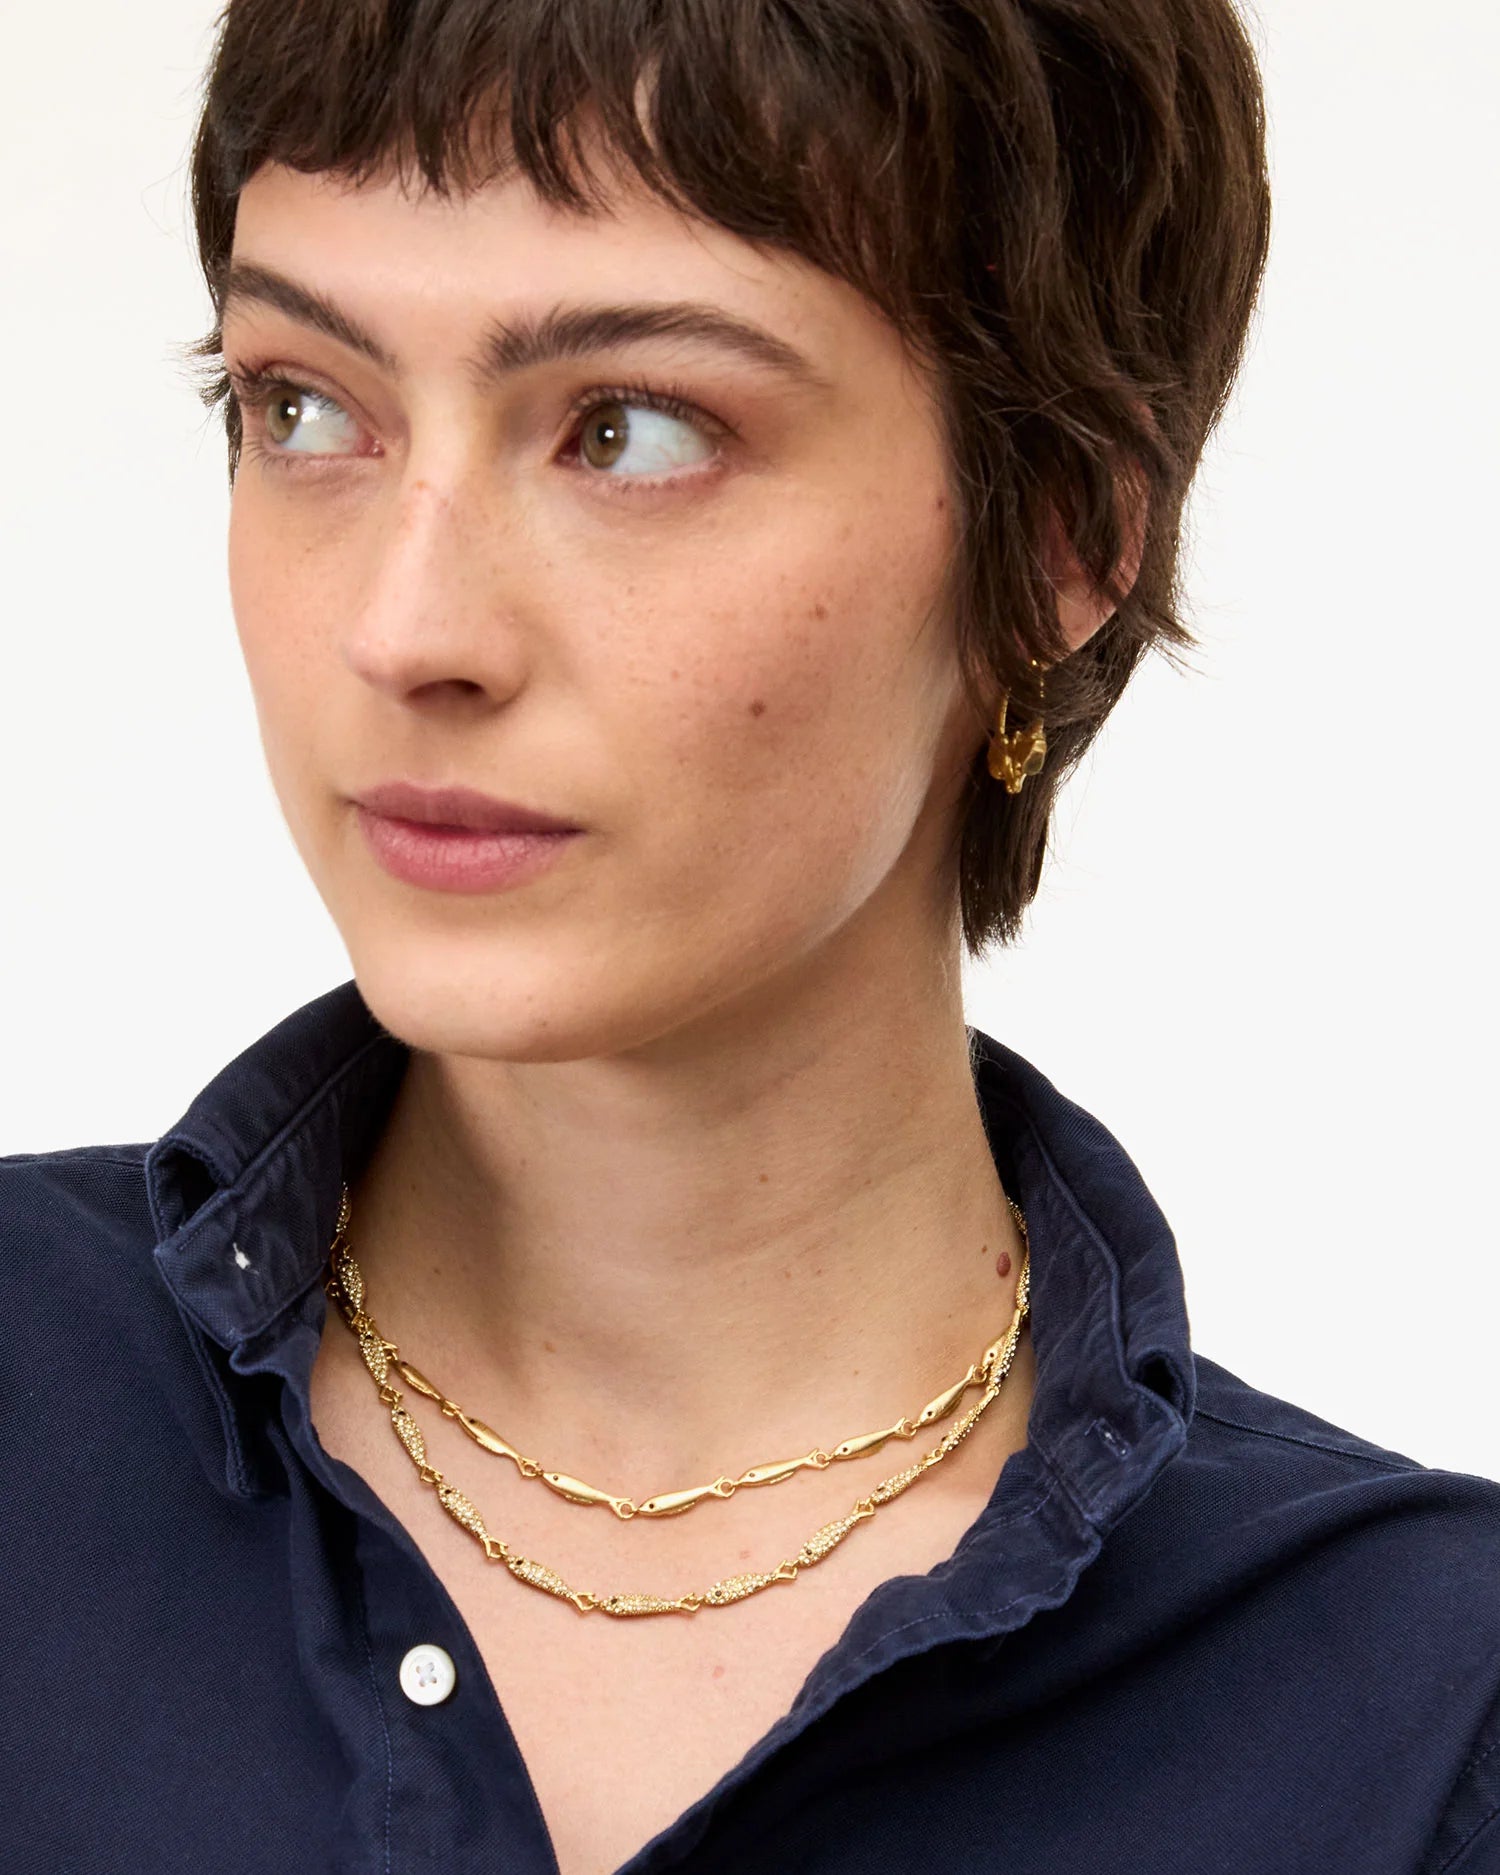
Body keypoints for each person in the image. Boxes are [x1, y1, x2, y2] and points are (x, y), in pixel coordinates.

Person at [4, 1, 1498, 1871]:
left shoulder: (1422, 1717)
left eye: (629, 431)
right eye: (304, 406)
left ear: (1059, 542)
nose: (404, 627)